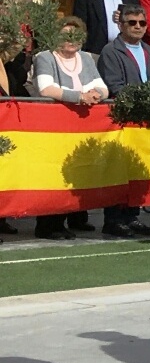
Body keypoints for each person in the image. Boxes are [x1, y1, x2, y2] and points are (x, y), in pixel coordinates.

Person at [30, 17, 107, 241]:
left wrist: (96, 95)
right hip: (53, 127)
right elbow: (46, 89)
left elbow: (102, 86)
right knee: (54, 175)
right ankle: (48, 225)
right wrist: (79, 96)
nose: (71, 41)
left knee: (76, 173)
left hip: (80, 127)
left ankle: (73, 218)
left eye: (75, 36)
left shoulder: (86, 58)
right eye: (66, 35)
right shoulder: (44, 57)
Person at [98, 5, 150, 237]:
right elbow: (114, 86)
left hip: (147, 123)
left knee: (138, 167)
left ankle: (132, 216)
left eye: (141, 23)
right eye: (132, 23)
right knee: (119, 170)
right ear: (121, 25)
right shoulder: (111, 51)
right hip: (123, 121)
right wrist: (143, 100)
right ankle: (114, 219)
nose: (137, 27)